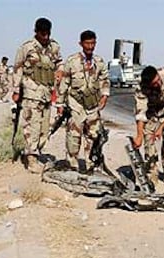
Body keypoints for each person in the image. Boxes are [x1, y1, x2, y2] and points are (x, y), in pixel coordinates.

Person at [13, 17, 63, 173]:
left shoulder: (54, 46)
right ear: (36, 32)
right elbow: (18, 68)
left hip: (47, 94)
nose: (45, 37)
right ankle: (31, 159)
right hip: (31, 92)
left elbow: (59, 62)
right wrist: (16, 90)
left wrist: (60, 70)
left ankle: (35, 150)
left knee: (44, 128)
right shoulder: (27, 48)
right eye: (42, 34)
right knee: (32, 126)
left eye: (48, 33)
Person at [57, 30, 110, 173]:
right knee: (73, 137)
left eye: (93, 43)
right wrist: (60, 104)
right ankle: (72, 166)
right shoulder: (72, 61)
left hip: (93, 106)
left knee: (93, 137)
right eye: (87, 43)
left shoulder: (99, 62)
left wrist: (105, 96)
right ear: (81, 44)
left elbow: (104, 80)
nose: (90, 46)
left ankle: (91, 166)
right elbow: (64, 83)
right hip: (76, 105)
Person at [133, 65, 164, 188]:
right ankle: (152, 175)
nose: (158, 84)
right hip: (151, 113)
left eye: (158, 80)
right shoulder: (140, 89)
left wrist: (162, 127)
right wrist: (139, 136)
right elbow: (140, 113)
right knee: (149, 144)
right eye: (154, 83)